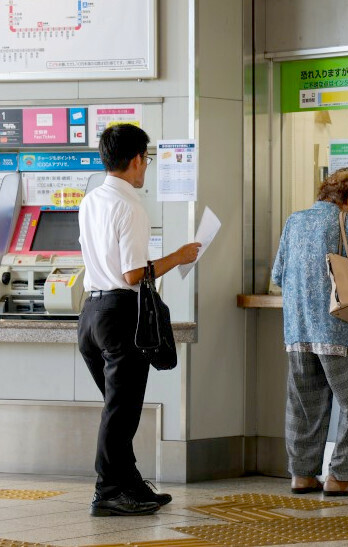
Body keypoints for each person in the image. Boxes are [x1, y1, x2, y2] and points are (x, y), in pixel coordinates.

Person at [78, 124, 201, 517]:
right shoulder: (129, 205)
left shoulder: (92, 200)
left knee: (119, 408)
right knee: (121, 411)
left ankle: (130, 483)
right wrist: (179, 256)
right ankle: (109, 491)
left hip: (91, 314)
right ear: (136, 161)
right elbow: (133, 274)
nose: (145, 167)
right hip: (120, 315)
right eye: (145, 159)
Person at [272, 167, 348, 496]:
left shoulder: (294, 221)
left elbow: (278, 273)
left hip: (297, 329)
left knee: (304, 403)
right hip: (338, 329)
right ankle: (341, 475)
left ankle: (302, 475)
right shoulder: (346, 222)